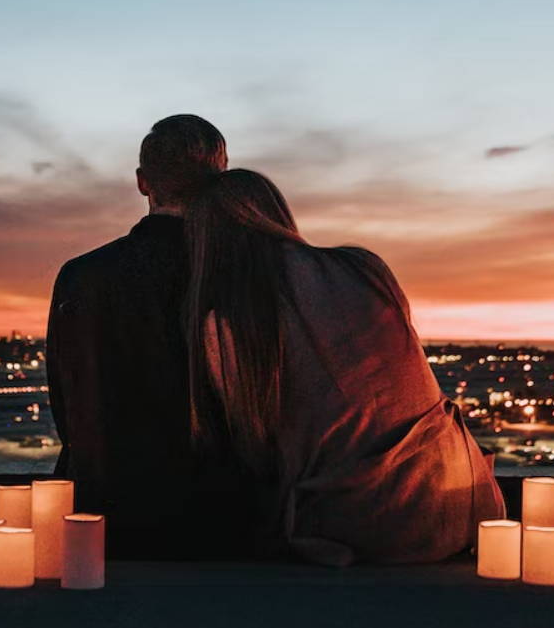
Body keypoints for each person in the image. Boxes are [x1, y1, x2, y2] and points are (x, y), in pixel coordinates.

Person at [184, 168, 505, 565]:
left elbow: (256, 449)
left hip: (363, 527)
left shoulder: (230, 323)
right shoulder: (365, 268)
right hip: (465, 503)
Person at [46, 114, 250, 557]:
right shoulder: (243, 275)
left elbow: (67, 403)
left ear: (143, 183)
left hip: (102, 513)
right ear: (222, 180)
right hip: (219, 520)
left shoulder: (81, 276)